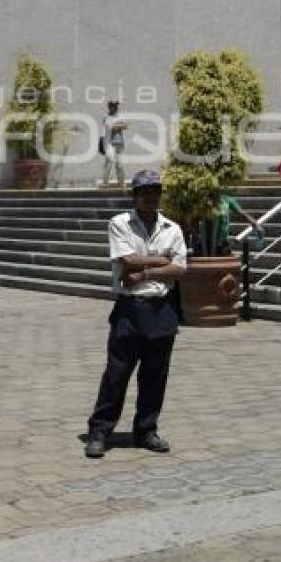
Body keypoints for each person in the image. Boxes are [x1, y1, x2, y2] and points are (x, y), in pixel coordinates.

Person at [84, 169, 186, 459]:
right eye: (145, 192)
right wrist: (160, 260)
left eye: (155, 191)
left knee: (155, 376)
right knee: (116, 374)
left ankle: (146, 430)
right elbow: (127, 260)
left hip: (162, 308)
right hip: (130, 309)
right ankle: (100, 431)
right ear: (135, 195)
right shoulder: (120, 224)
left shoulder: (172, 228)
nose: (151, 197)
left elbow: (180, 269)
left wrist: (147, 271)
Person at [101, 100, 128, 189]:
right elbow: (110, 126)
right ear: (109, 107)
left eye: (116, 105)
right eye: (113, 105)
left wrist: (117, 125)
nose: (115, 107)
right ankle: (105, 183)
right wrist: (118, 124)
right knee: (109, 161)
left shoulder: (121, 116)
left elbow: (125, 125)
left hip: (119, 143)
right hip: (109, 143)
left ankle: (121, 182)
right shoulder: (106, 117)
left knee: (120, 164)